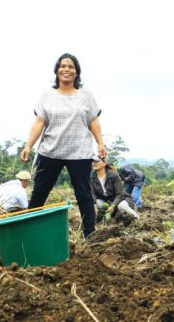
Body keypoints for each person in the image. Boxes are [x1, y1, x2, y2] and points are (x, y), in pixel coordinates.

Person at [19, 53, 107, 238]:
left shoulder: (85, 95)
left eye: (71, 67)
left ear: (77, 72)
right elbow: (39, 122)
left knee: (84, 195)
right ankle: (27, 233)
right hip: (50, 151)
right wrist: (28, 145)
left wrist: (100, 143)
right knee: (39, 194)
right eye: (63, 66)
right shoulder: (47, 95)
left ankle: (90, 235)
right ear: (57, 71)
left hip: (79, 153)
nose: (66, 69)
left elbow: (93, 120)